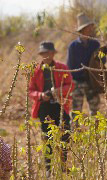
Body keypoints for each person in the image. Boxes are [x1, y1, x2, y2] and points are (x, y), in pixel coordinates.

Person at [28, 41, 74, 172]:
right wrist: (41, 95)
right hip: (44, 107)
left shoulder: (62, 67)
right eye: (42, 53)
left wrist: (57, 91)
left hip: (60, 105)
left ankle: (63, 165)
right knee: (47, 137)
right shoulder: (35, 71)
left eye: (47, 53)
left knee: (65, 134)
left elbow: (70, 85)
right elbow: (30, 91)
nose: (45, 55)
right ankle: (48, 169)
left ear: (53, 53)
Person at [67, 13, 106, 116]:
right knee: (76, 112)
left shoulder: (95, 44)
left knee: (95, 111)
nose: (90, 29)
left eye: (90, 26)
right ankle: (76, 131)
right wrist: (76, 81)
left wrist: (103, 54)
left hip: (92, 80)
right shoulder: (73, 46)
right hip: (77, 82)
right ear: (82, 29)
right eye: (88, 27)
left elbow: (101, 62)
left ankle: (95, 131)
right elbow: (70, 67)